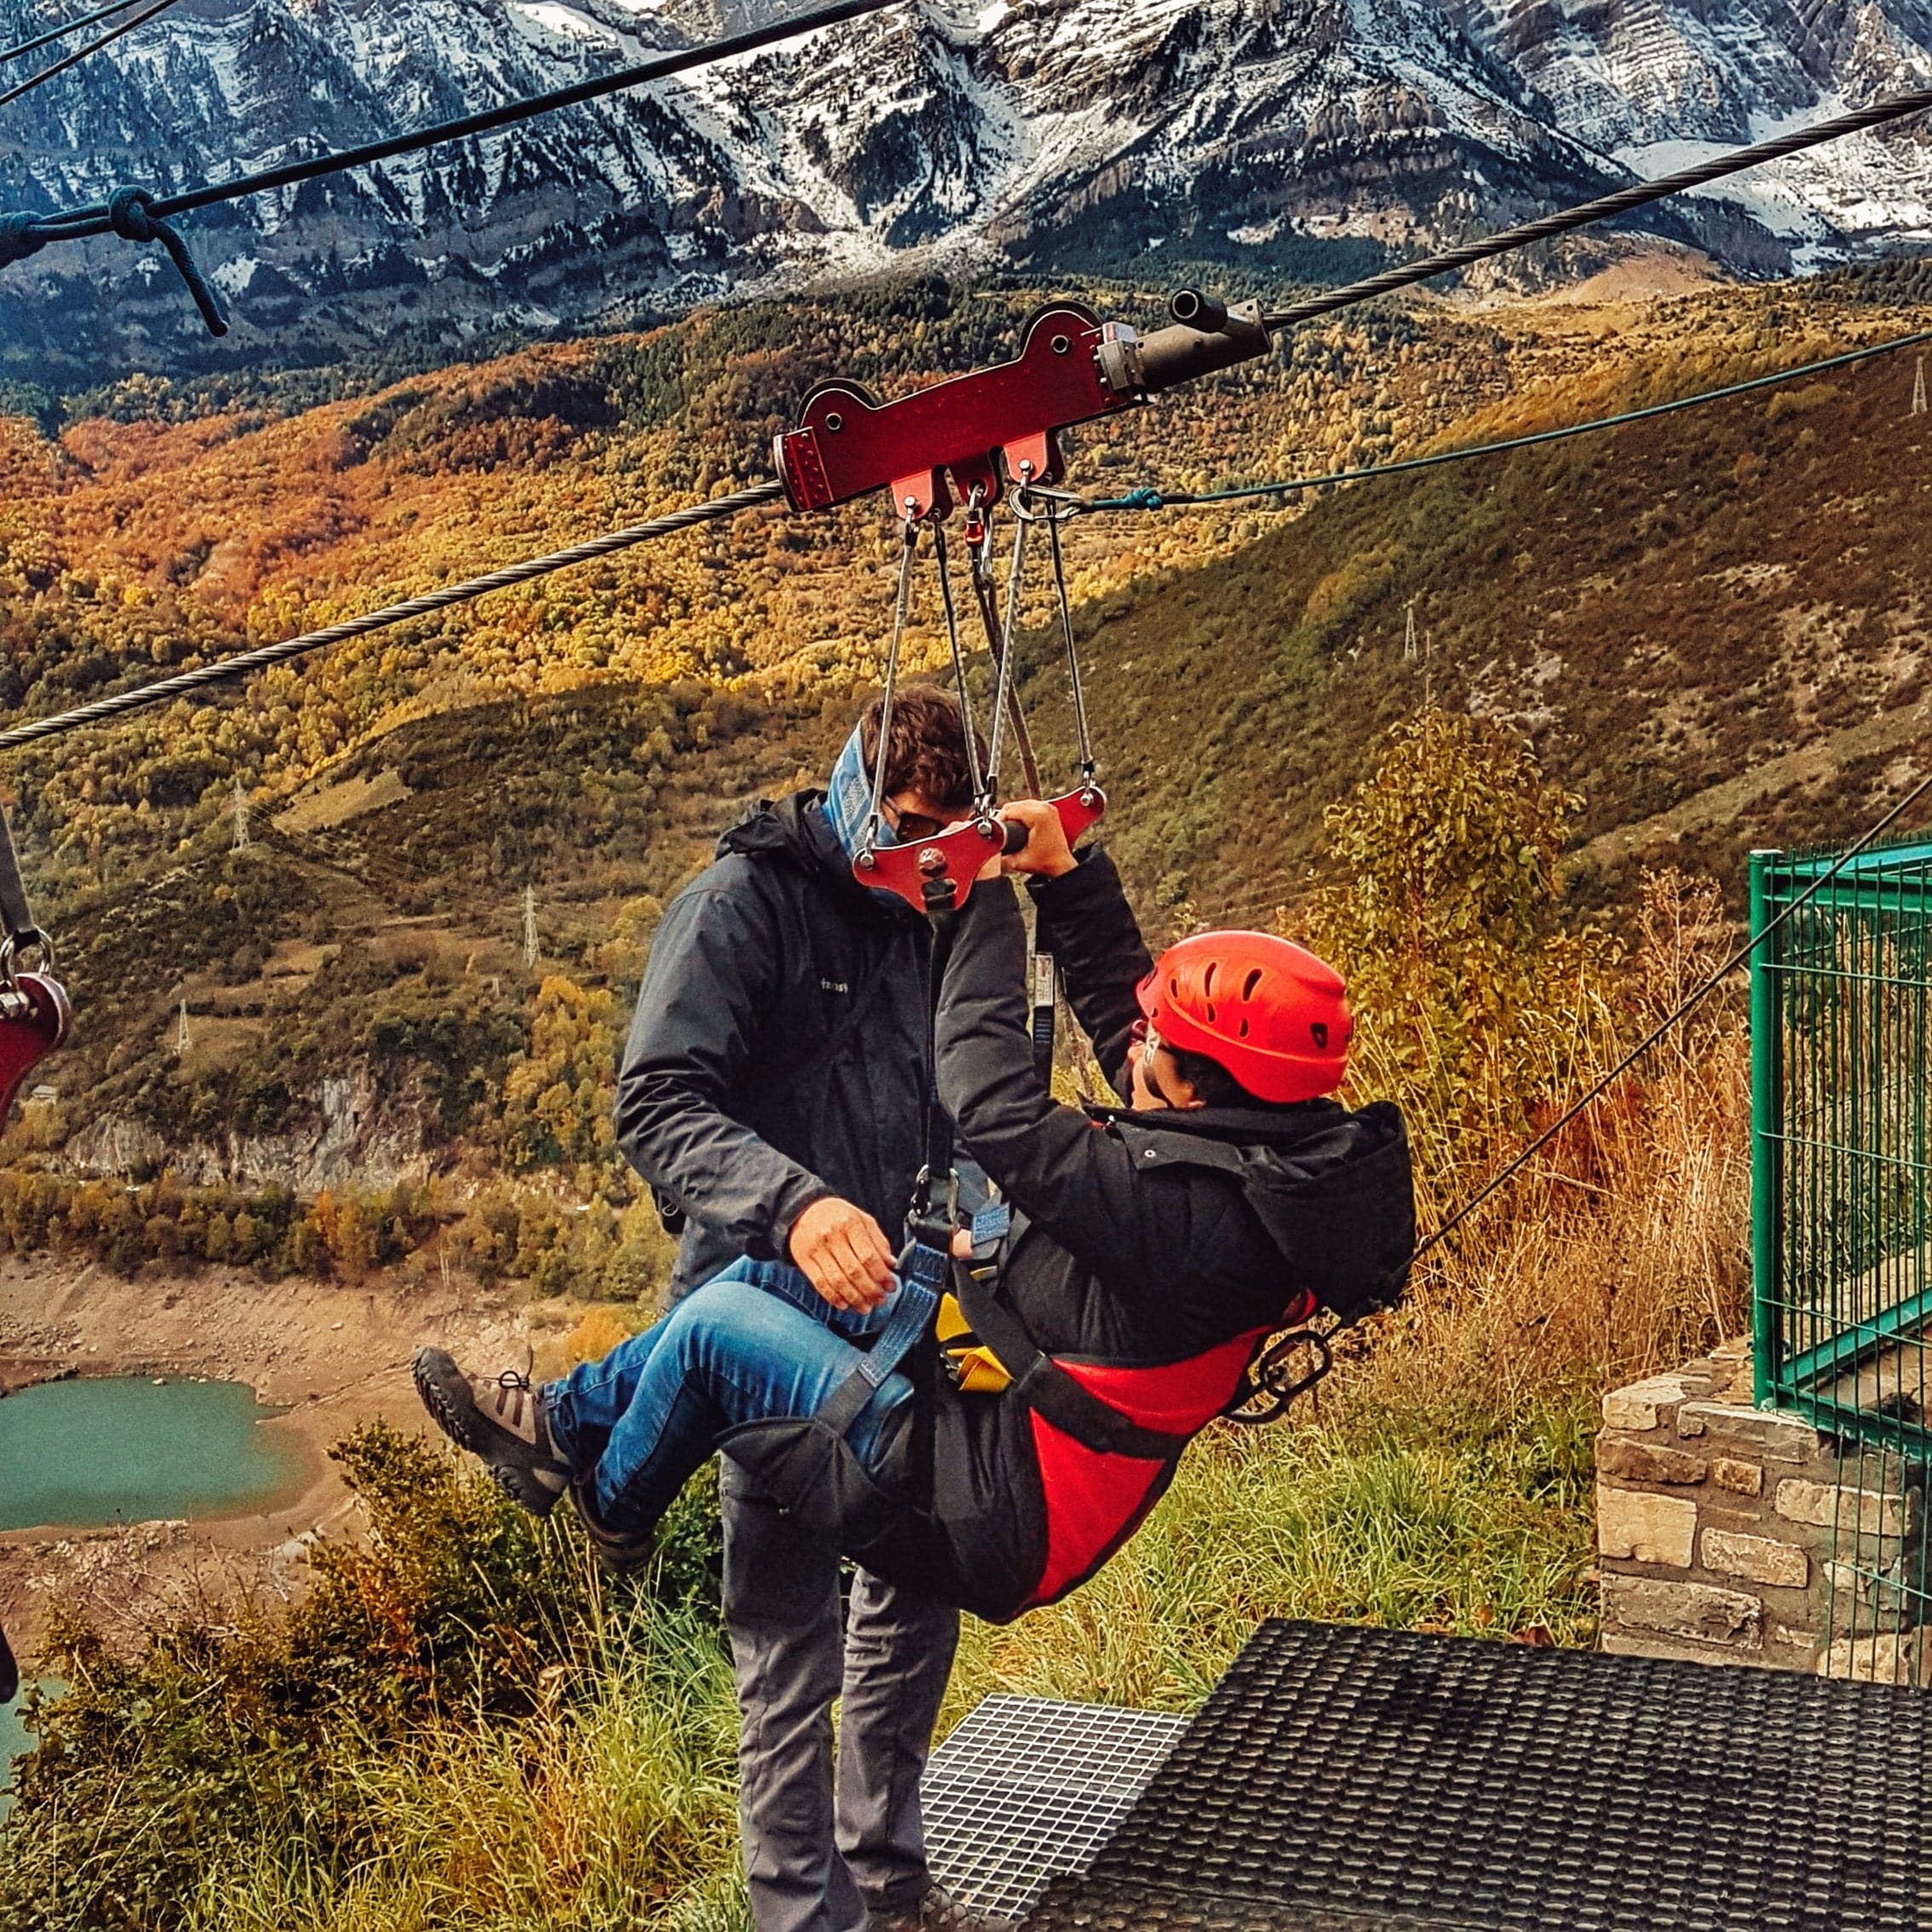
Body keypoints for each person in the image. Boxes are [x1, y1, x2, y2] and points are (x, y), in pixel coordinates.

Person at [419, 798, 1415, 1633]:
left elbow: (992, 1103)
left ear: (1200, 1086)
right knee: (763, 1279)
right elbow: (1128, 1025)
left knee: (718, 1334)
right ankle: (562, 1424)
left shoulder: (1193, 1225)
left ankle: (611, 1504)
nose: (1139, 1045)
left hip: (987, 1501)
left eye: (1162, 1044)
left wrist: (978, 893)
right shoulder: (1270, 1156)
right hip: (989, 1403)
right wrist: (1065, 874)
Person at [423, 688, 981, 1932]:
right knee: (790, 1639)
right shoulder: (742, 907)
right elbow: (658, 1102)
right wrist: (793, 1207)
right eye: (904, 839)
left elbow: (964, 1090)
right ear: (856, 803)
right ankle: (805, 1919)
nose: (924, 871)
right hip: (757, 1317)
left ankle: (890, 1884)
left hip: (909, 1310)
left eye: (948, 848)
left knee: (913, 1598)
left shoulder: (937, 913)